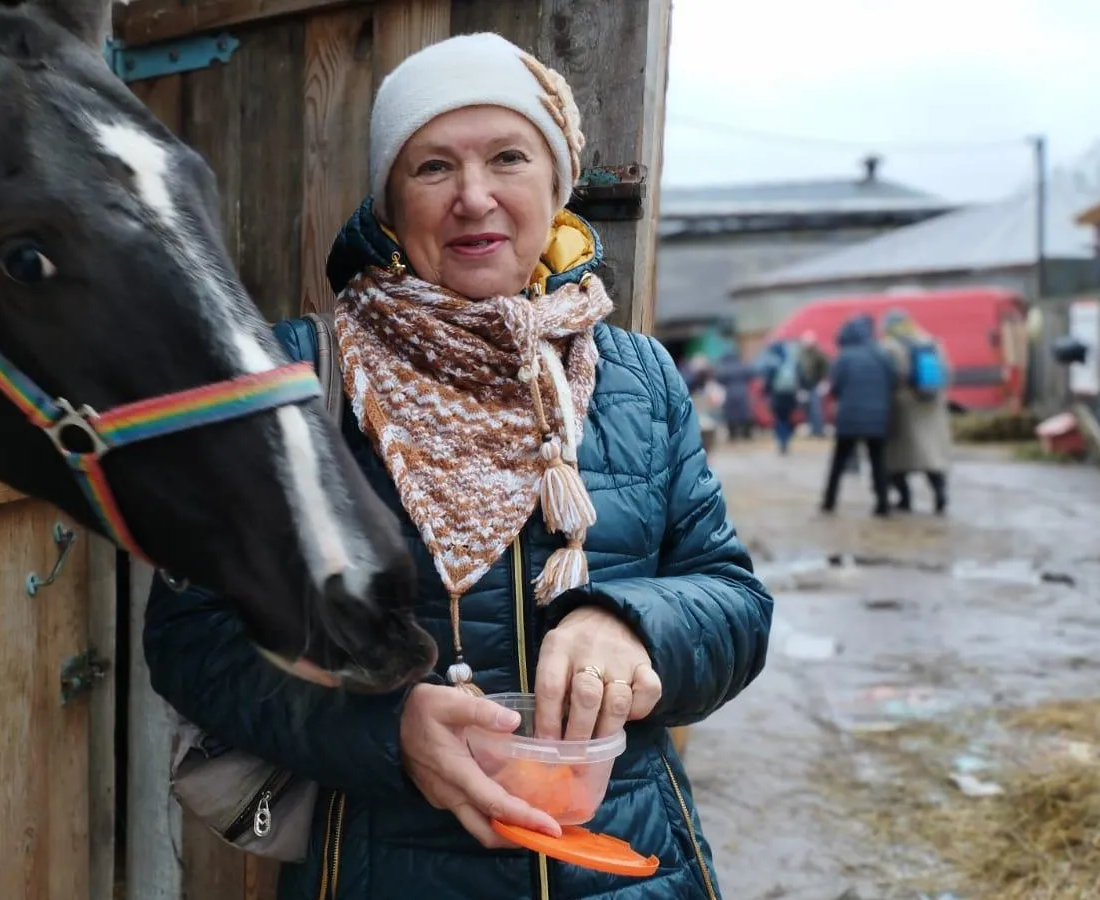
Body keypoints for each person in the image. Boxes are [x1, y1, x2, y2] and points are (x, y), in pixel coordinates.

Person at [143, 32, 774, 900]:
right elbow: (192, 639)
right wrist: (383, 730)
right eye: (433, 167)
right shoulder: (296, 378)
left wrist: (633, 624)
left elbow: (735, 602)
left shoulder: (638, 377)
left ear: (556, 187)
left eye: (509, 157)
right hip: (384, 868)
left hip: (630, 870)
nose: (475, 198)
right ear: (391, 201)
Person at [820, 313, 895, 515]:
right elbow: (892, 381)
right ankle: (883, 504)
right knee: (878, 461)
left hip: (849, 418)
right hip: (877, 417)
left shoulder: (843, 357)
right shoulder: (880, 354)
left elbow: (835, 387)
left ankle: (829, 502)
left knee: (838, 462)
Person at [880, 308, 954, 513]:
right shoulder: (932, 343)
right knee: (932, 456)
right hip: (933, 408)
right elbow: (948, 373)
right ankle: (940, 494)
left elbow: (892, 376)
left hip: (904, 407)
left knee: (896, 458)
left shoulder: (890, 346)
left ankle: (904, 498)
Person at [758, 339, 802, 454]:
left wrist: (765, 392)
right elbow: (799, 376)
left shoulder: (772, 361)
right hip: (790, 394)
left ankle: (782, 440)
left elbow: (768, 380)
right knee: (788, 417)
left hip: (777, 394)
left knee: (780, 419)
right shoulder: (791, 360)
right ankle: (787, 437)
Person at [713, 350, 756, 442]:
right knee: (745, 412)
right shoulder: (742, 366)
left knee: (731, 414)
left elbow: (719, 379)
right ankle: (746, 433)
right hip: (742, 392)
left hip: (730, 393)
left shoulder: (724, 368)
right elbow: (751, 374)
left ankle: (733, 434)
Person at [795, 331, 830, 438]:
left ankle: (818, 430)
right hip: (804, 386)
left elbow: (825, 367)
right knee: (807, 409)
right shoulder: (800, 354)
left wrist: (824, 381)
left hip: (815, 385)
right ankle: (811, 429)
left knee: (816, 409)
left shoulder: (818, 353)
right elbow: (798, 371)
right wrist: (799, 388)